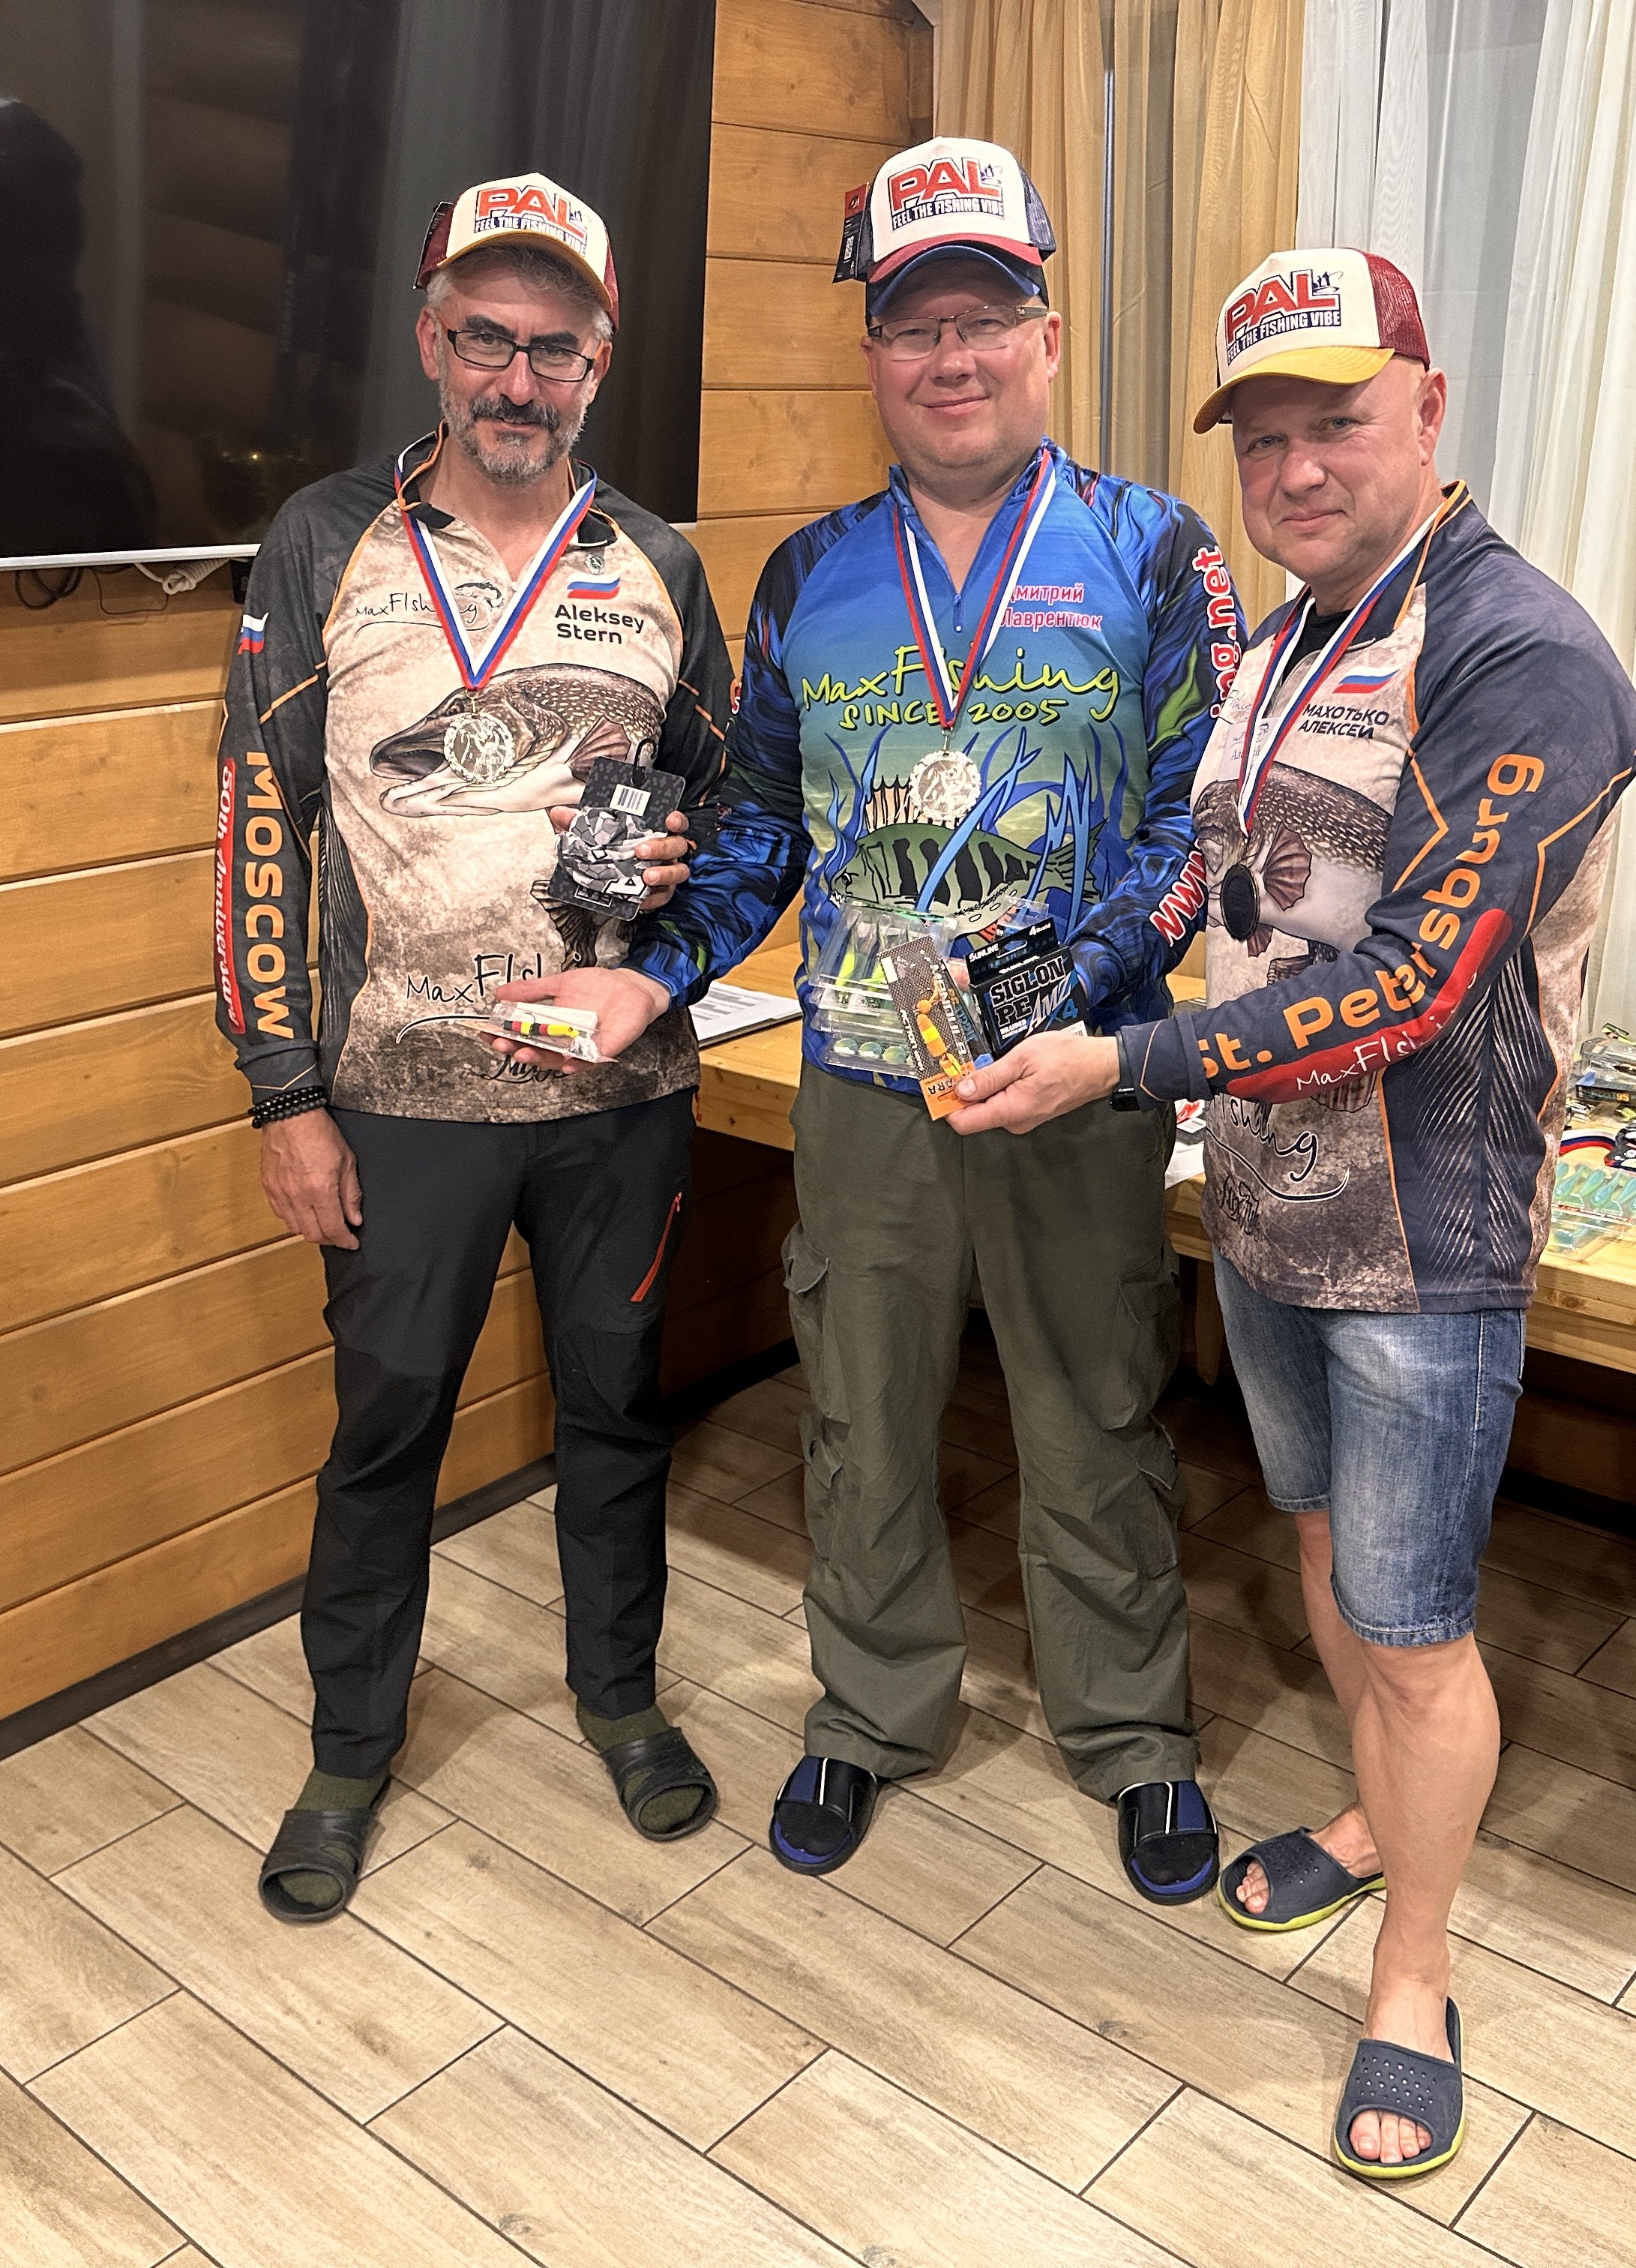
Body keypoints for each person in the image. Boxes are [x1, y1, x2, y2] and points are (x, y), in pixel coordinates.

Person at [946, 248, 1636, 2179]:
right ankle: (1368, 1822)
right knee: (1331, 1561)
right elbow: (1205, 885)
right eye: (1262, 437)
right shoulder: (1282, 643)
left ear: (1429, 407)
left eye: (1336, 420)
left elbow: (1412, 985)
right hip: (1265, 1209)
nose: (1296, 467)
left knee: (1416, 1632)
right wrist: (1036, 986)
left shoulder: (1522, 654)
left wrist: (1119, 1064)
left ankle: (1415, 1971)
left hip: (1430, 1240)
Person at [501, 137, 1241, 1900]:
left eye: (986, 319)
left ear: (1047, 337)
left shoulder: (1155, 551)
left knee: (1096, 1412)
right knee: (861, 1413)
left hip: (1074, 1077)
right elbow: (763, 823)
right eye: (916, 326)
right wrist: (652, 969)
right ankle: (872, 1710)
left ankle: (1131, 1732)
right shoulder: (810, 575)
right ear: (874, 355)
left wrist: (1058, 1002)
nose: (951, 356)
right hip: (860, 1081)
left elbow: (1197, 828)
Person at [213, 172, 735, 1923]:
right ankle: (349, 1747)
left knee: (618, 1413)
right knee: (386, 1433)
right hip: (397, 1101)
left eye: (554, 349)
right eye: (487, 340)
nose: (519, 379)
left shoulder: (658, 563)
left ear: (601, 362)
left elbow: (726, 811)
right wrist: (284, 1095)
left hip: (618, 1096)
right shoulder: (321, 542)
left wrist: (673, 883)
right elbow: (258, 828)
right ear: (433, 340)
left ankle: (621, 1700)